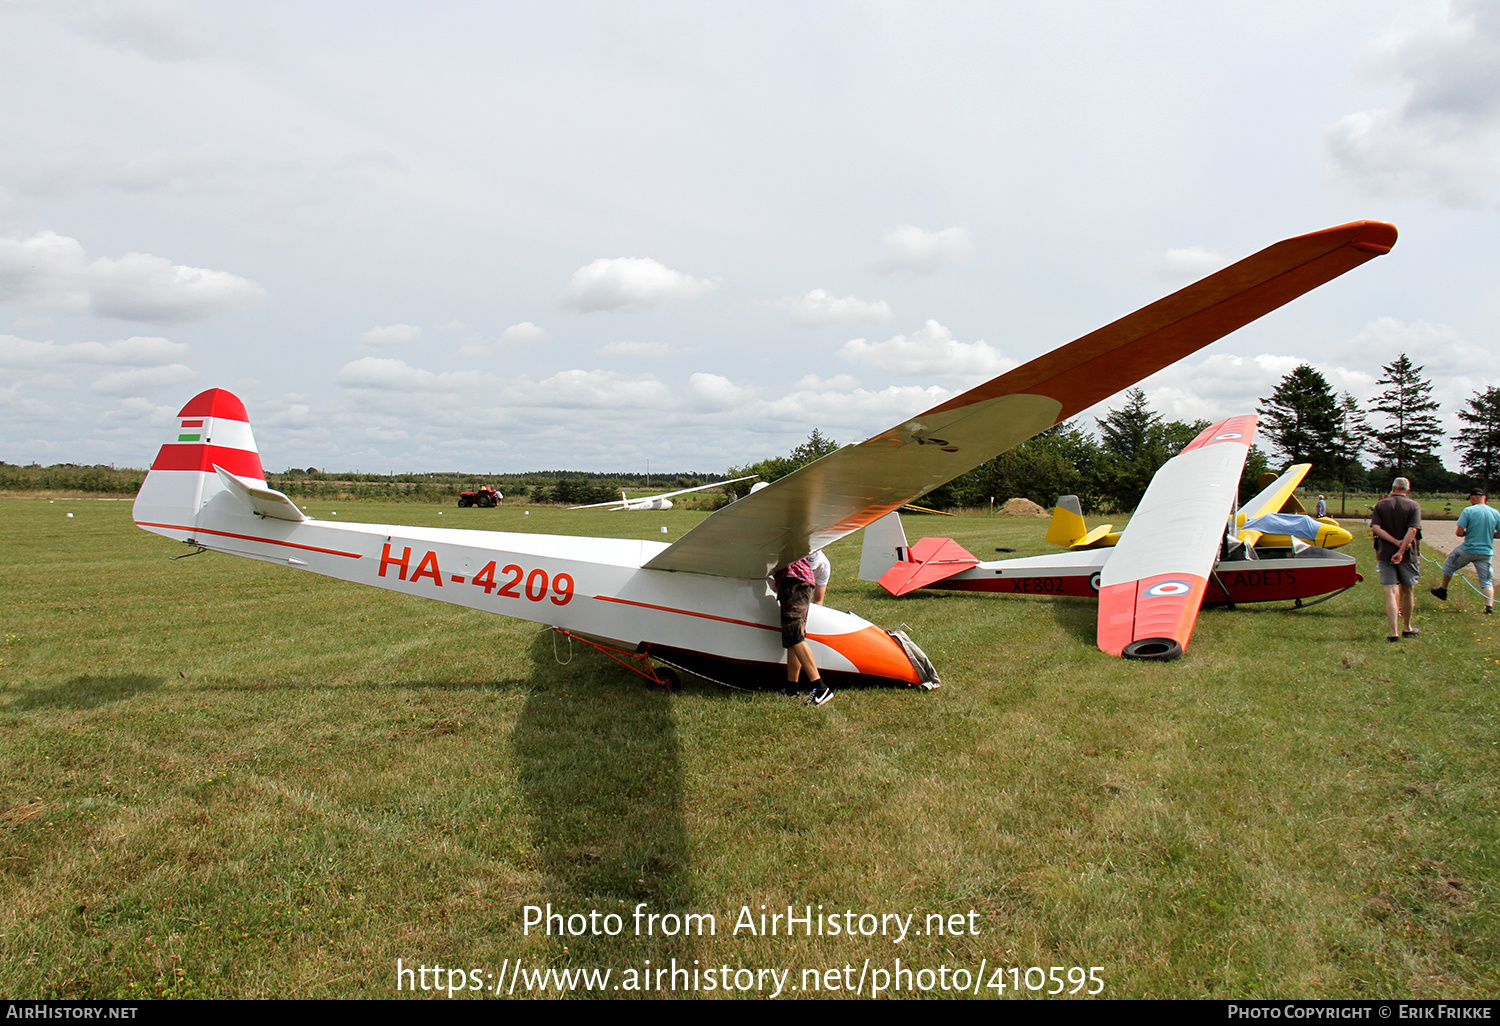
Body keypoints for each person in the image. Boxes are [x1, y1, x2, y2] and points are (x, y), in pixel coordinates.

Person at [1431, 489, 1500, 614]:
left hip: (1468, 549)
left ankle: (1443, 589)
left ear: (1473, 497)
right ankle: (1489, 606)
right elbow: (1499, 533)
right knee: (1486, 580)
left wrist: (1468, 533)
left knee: (1449, 565)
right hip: (1486, 552)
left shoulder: (1468, 511)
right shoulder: (1495, 512)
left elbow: (1459, 533)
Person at [773, 555, 831, 705]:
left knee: (794, 635)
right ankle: (791, 688)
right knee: (794, 636)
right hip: (798, 582)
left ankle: (820, 688)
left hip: (794, 581)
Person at [1370, 477, 1422, 641]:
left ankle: (1393, 632)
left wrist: (1393, 542)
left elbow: (1376, 528)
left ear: (1393, 488)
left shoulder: (1381, 505)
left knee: (1390, 592)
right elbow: (1412, 530)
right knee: (1408, 590)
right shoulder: (1413, 506)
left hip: (1385, 553)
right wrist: (1401, 549)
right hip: (1408, 555)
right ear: (1407, 489)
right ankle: (1407, 627)